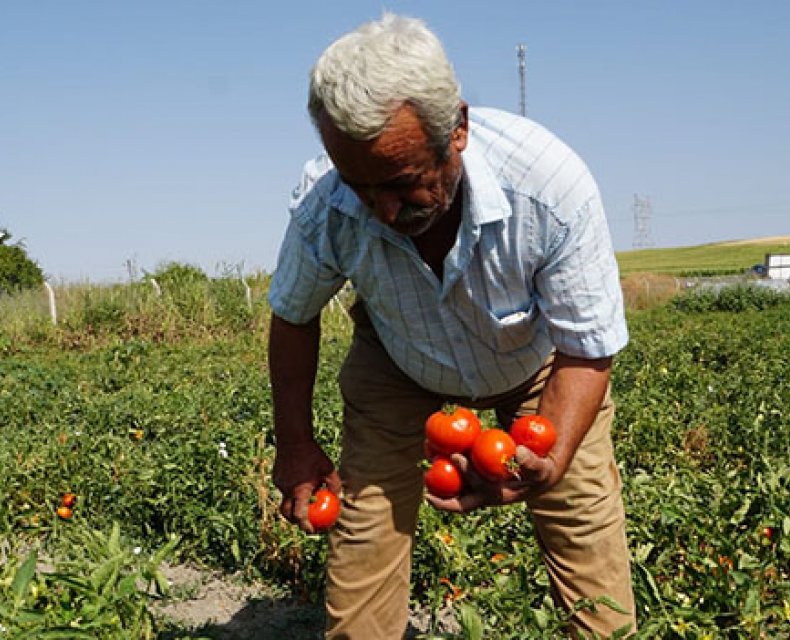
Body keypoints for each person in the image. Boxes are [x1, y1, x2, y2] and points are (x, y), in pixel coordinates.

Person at [267, 13, 635, 639]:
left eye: (403, 182)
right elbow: (293, 318)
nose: (382, 210)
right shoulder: (326, 206)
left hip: (536, 362)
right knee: (367, 536)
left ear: (457, 129)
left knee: (583, 529)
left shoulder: (549, 189)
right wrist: (296, 444)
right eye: (361, 186)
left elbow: (584, 348)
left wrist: (553, 451)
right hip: (398, 361)